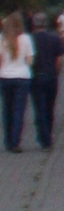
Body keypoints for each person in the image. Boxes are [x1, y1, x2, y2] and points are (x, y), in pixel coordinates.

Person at [28, 12, 64, 150]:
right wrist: (56, 73)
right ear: (46, 24)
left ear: (34, 24)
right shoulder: (55, 38)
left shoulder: (30, 39)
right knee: (50, 108)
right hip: (51, 77)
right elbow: (59, 60)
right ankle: (47, 134)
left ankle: (44, 139)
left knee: (39, 109)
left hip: (36, 77)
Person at [0, 18, 28, 151]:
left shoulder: (1, 38)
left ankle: (7, 140)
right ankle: (15, 142)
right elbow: (29, 60)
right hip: (22, 77)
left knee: (7, 110)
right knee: (19, 110)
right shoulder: (25, 39)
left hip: (5, 76)